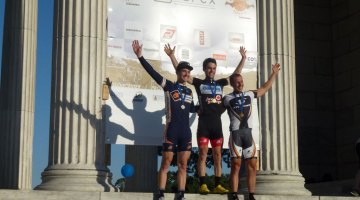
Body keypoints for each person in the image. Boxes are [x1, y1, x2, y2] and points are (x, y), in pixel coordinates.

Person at [164, 44, 247, 194]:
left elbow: (235, 75)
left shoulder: (220, 83)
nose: (212, 71)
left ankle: (218, 185)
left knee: (217, 156)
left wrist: (243, 59)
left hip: (217, 125)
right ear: (204, 69)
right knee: (202, 155)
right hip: (203, 126)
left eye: (214, 68)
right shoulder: (199, 83)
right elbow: (182, 72)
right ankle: (203, 184)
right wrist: (172, 57)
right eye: (209, 68)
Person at [132, 40, 196, 200]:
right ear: (178, 72)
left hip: (185, 132)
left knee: (183, 165)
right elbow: (153, 72)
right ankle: (160, 193)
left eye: (188, 72)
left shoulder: (190, 91)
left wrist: (209, 107)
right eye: (184, 71)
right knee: (166, 162)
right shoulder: (168, 86)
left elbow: (194, 109)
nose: (186, 74)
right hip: (171, 130)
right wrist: (141, 57)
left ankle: (181, 193)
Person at [223, 63, 281, 200]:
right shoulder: (227, 98)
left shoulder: (249, 94)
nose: (240, 84)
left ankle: (251, 195)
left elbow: (265, 88)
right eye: (237, 83)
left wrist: (274, 74)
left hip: (248, 134)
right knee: (236, 165)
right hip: (236, 134)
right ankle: (235, 194)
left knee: (252, 165)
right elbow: (214, 109)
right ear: (232, 84)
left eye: (241, 82)